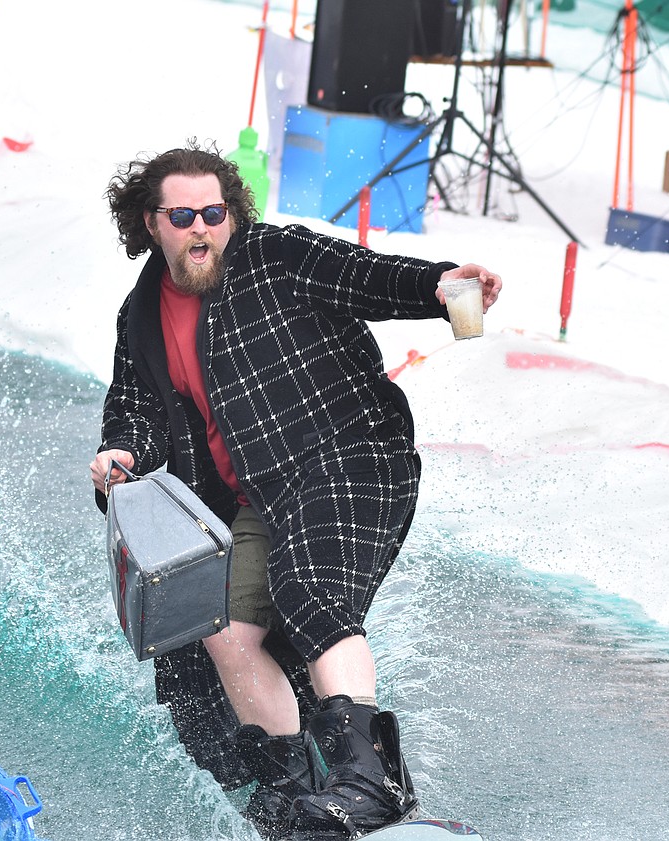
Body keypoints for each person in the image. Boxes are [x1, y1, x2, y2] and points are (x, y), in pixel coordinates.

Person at [89, 142, 501, 840]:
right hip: (257, 498)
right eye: (183, 214)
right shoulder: (141, 320)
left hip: (350, 453)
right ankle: (301, 793)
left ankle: (369, 782)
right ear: (150, 224)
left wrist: (438, 285)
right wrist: (120, 455)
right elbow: (133, 410)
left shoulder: (275, 256)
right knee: (222, 630)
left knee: (309, 590)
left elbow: (365, 275)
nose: (200, 228)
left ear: (232, 214)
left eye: (213, 212)